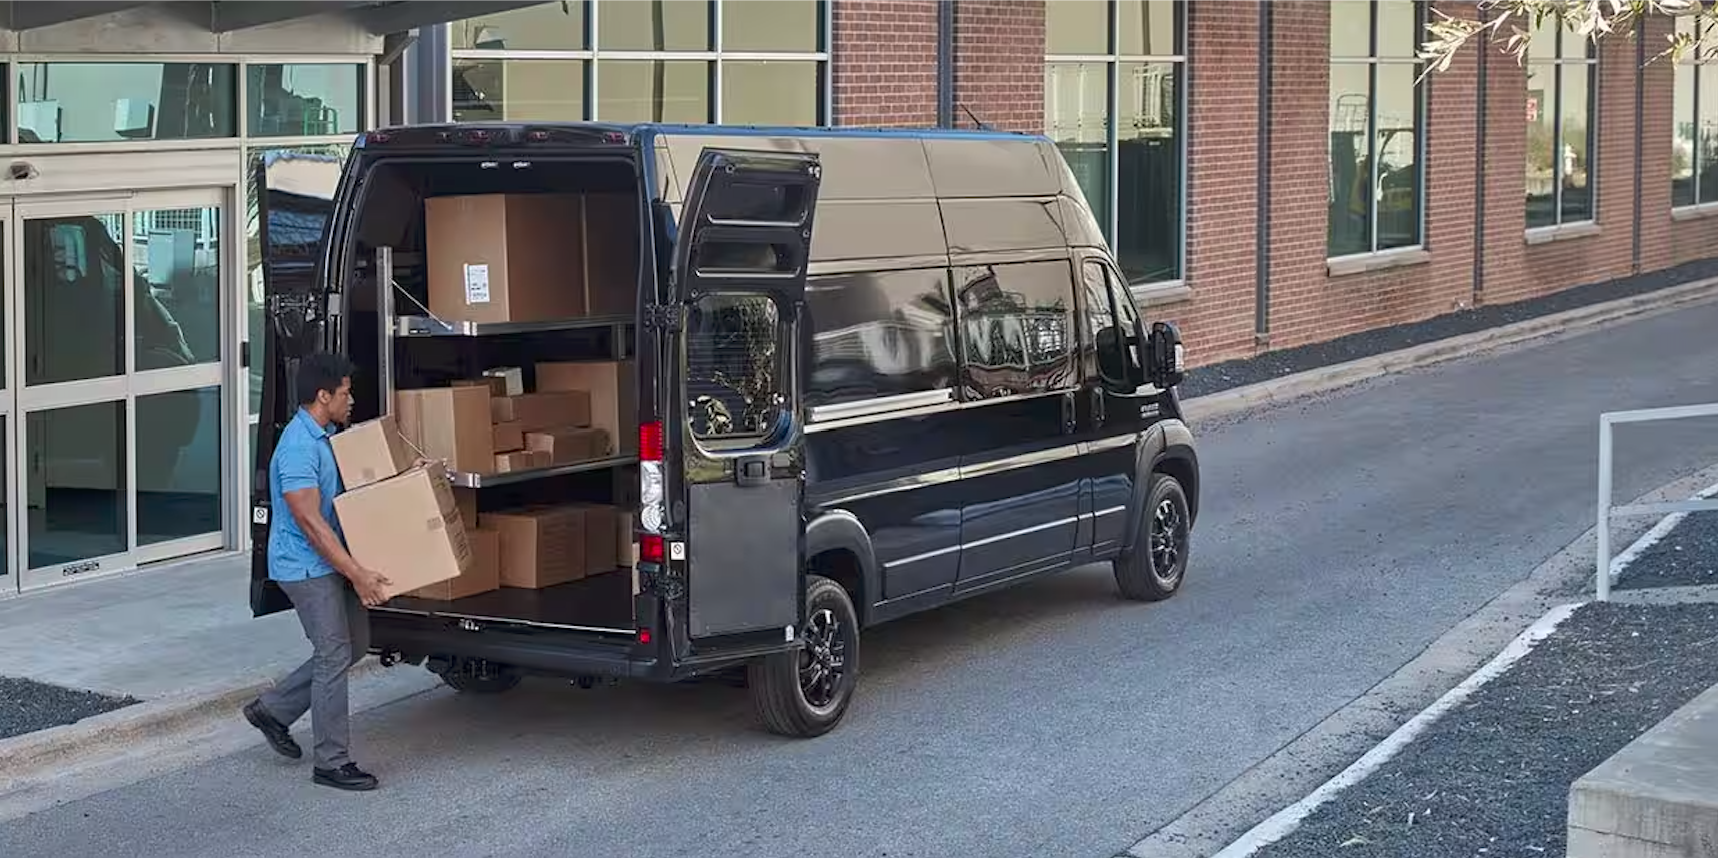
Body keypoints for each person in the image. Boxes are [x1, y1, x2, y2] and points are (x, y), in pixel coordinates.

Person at [242, 352, 392, 791]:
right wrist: (358, 573)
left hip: (332, 560)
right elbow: (310, 523)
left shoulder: (326, 436)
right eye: (345, 392)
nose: (351, 399)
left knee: (355, 644)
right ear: (322, 396)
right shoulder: (296, 448)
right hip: (305, 567)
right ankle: (331, 761)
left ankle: (272, 710)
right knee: (333, 653)